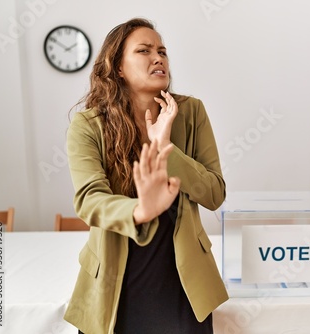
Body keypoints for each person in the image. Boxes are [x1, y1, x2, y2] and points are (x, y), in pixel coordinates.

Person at [64, 17, 228, 334]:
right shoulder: (87, 125)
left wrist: (165, 146)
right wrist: (141, 210)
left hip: (183, 280)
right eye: (144, 50)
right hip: (115, 281)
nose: (158, 58)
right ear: (118, 67)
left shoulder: (191, 112)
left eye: (162, 51)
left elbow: (214, 193)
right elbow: (90, 200)